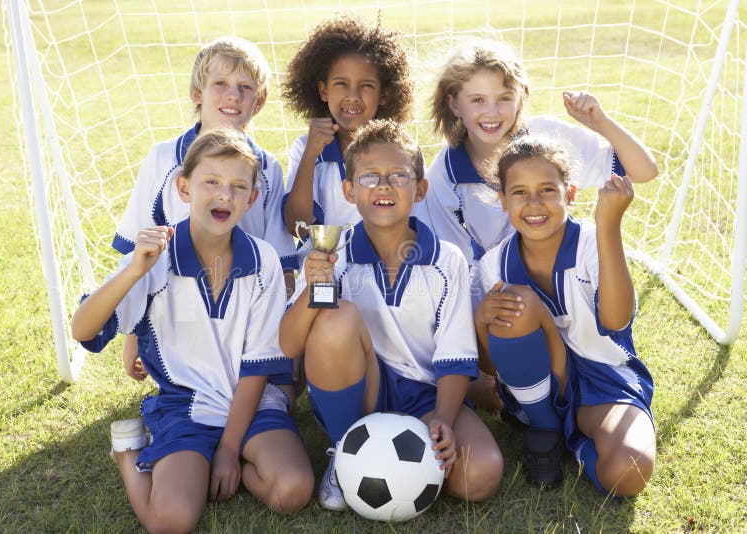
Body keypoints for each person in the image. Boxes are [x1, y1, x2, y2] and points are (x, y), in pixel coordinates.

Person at [72, 129, 314, 532]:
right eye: (212, 182)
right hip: (187, 406)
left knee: (292, 489)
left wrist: (229, 450)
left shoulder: (264, 261)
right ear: (184, 188)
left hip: (252, 403)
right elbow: (83, 330)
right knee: (172, 521)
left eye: (239, 187)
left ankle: (224, 458)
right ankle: (130, 456)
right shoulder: (153, 258)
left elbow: (256, 367)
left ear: (252, 199)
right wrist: (133, 270)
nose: (225, 195)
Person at [280, 119, 503, 511]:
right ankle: (345, 451)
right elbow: (289, 344)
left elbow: (455, 357)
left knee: (481, 474)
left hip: (428, 393)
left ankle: (411, 465)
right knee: (336, 317)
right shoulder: (335, 257)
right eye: (369, 177)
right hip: (362, 387)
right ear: (349, 191)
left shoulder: (447, 261)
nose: (383, 186)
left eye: (398, 176)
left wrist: (444, 419)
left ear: (419, 189)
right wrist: (315, 289)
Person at [473, 135, 655, 495]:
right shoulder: (493, 264)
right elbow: (491, 368)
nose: (534, 203)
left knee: (630, 470)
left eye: (547, 190)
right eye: (519, 192)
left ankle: (575, 444)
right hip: (539, 386)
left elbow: (616, 322)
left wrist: (609, 227)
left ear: (570, 194)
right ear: (503, 201)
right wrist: (482, 321)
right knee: (517, 303)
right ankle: (545, 429)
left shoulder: (591, 240)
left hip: (604, 379)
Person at [113, 36, 298, 386]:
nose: (233, 95)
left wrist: (287, 356)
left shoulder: (268, 168)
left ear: (259, 102)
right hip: (176, 321)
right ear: (197, 93)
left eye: (246, 87)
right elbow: (136, 257)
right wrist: (133, 337)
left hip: (246, 317)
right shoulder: (163, 159)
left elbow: (282, 265)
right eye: (221, 84)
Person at [416, 38, 658, 264]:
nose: (492, 112)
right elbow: (456, 267)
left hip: (561, 272)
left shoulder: (546, 136)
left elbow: (644, 171)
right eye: (477, 100)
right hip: (497, 292)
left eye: (504, 98)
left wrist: (602, 124)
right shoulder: (443, 177)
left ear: (520, 99)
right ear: (454, 104)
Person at [280, 13, 414, 235]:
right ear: (324, 91)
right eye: (341, 83)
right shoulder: (305, 148)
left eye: (367, 86)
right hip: (323, 266)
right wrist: (311, 154)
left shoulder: (401, 150)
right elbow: (297, 227)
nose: (353, 96)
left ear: (384, 94)